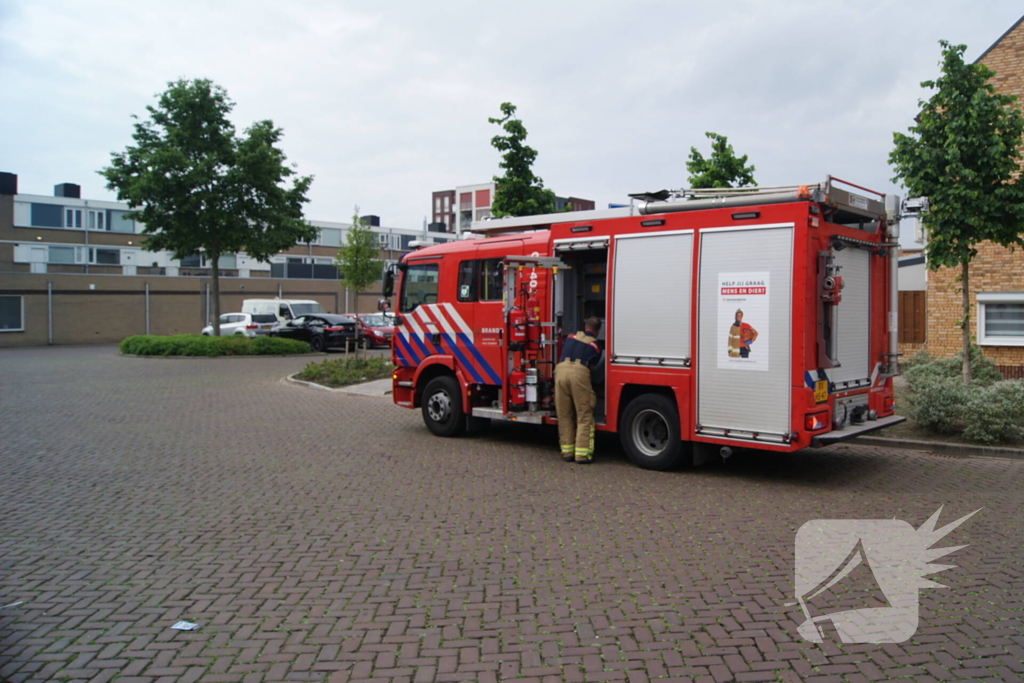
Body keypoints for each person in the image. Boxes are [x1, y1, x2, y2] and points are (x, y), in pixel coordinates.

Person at [554, 317, 603, 464]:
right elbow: (592, 368)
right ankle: (582, 455)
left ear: (585, 326)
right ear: (598, 331)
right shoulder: (595, 345)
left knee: (564, 414)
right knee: (584, 415)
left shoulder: (570, 336)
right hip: (579, 373)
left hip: (560, 371)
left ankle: (567, 452)